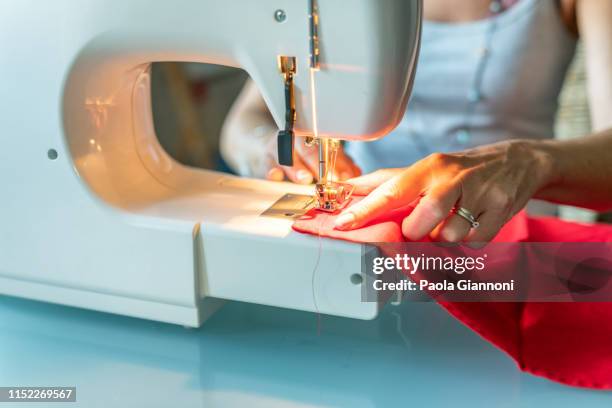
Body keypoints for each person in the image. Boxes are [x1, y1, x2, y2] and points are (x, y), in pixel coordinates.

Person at [221, 0, 612, 243]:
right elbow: (244, 122)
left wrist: (529, 161)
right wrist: (270, 148)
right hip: (369, 238)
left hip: (498, 249)